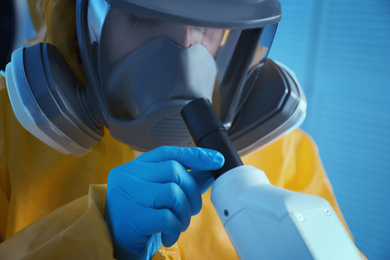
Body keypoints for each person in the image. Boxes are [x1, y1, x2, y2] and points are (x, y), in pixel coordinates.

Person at [0, 0, 366, 259]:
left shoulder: (288, 157)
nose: (185, 49)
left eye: (207, 25)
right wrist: (92, 235)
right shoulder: (7, 133)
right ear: (77, 21)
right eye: (143, 17)